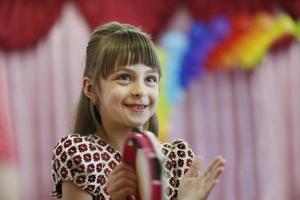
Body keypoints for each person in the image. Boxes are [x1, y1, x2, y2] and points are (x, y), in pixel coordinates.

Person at [51, 21, 226, 200]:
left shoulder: (176, 159)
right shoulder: (80, 153)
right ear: (91, 89)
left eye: (150, 79)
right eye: (125, 77)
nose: (140, 91)